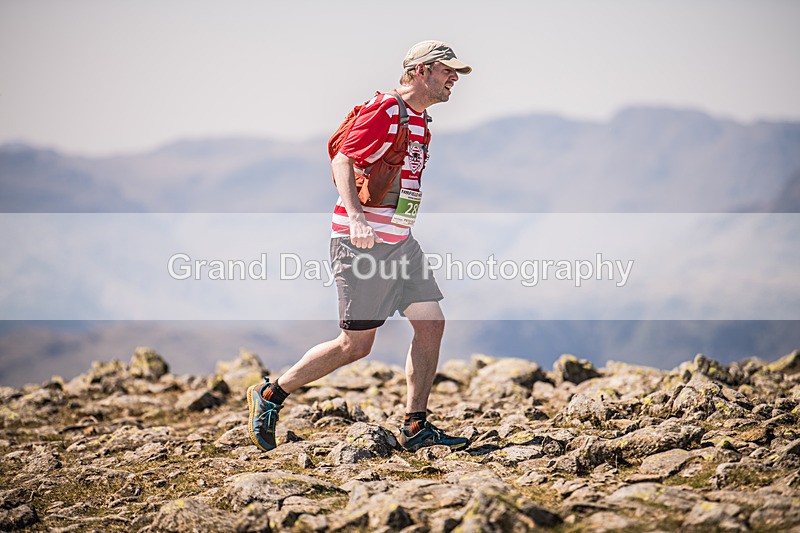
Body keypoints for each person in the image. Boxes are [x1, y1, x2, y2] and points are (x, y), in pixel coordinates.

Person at [247, 40, 472, 453]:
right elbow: (343, 160)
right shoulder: (387, 109)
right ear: (420, 71)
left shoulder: (421, 120)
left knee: (431, 323)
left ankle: (415, 424)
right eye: (446, 70)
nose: (454, 78)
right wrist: (355, 217)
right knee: (355, 346)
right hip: (362, 244)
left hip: (400, 242)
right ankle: (271, 395)